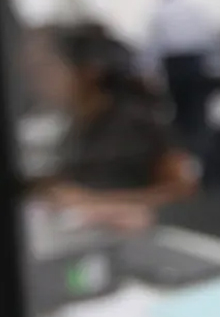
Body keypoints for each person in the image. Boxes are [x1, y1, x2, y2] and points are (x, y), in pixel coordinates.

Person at [24, 27, 197, 232]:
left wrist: (96, 202)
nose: (35, 83)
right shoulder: (78, 124)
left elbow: (184, 192)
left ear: (86, 71)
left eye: (45, 70)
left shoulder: (136, 121)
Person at [144, 0, 220, 150]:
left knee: (179, 109)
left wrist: (149, 69)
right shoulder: (195, 6)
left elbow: (154, 43)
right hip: (197, 61)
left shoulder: (160, 9)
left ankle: (182, 148)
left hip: (175, 63)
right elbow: (212, 36)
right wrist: (215, 63)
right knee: (198, 109)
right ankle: (202, 148)